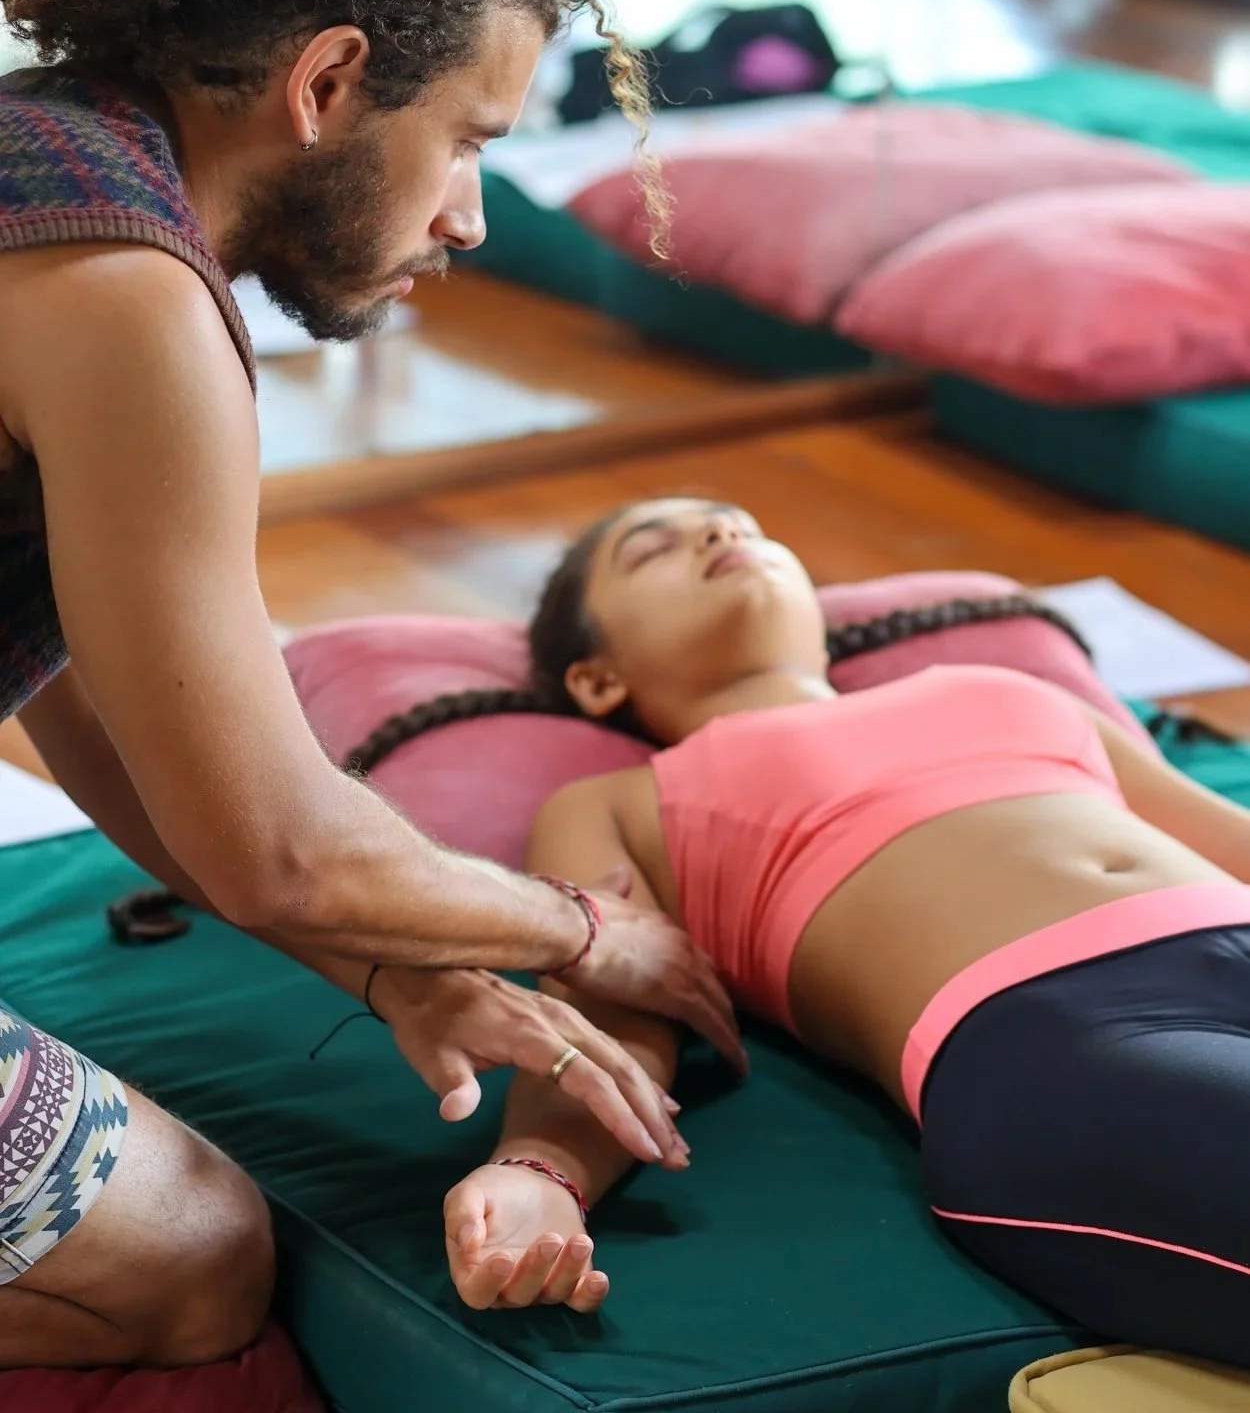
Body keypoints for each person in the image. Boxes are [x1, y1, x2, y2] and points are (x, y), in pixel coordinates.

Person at [0, 0, 744, 1371]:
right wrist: (575, 931)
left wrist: (396, 960)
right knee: (193, 1256)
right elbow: (273, 839)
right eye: (465, 138)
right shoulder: (125, 294)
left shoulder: (44, 153)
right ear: (329, 79)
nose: (468, 212)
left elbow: (83, 697)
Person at [350, 498, 1250, 1360]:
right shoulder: (620, 803)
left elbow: (1222, 834)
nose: (718, 528)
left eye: (736, 521)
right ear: (597, 677)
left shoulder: (1006, 686)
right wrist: (540, 1172)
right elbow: (609, 1021)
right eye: (653, 547)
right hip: (1069, 1041)